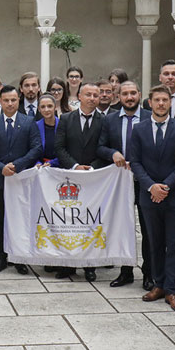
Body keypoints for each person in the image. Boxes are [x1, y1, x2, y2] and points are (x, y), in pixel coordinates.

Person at [128, 86, 175, 312]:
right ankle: (158, 284)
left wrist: (165, 186)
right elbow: (135, 162)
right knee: (153, 242)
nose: (161, 103)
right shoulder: (139, 129)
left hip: (174, 196)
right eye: (157, 100)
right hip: (149, 196)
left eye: (165, 100)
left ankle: (172, 289)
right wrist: (151, 186)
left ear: (170, 102)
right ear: (150, 102)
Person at [0, 85, 42, 274]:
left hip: (21, 180)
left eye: (13, 100)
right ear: (0, 101)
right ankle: (1, 257)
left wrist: (17, 165)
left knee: (19, 219)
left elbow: (36, 148)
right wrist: (1, 168)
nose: (10, 103)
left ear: (18, 100)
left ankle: (19, 258)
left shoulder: (28, 121)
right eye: (6, 100)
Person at [54, 82, 106, 282]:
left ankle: (89, 265)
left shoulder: (105, 121)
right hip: (71, 177)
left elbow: (105, 147)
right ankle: (68, 264)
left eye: (95, 95)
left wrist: (91, 168)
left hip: (94, 179)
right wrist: (75, 166)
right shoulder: (66, 119)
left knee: (90, 222)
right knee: (70, 222)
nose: (92, 98)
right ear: (80, 97)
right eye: (88, 94)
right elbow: (59, 147)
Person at [97, 80, 146, 288]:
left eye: (133, 93)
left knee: (148, 229)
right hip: (119, 182)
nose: (129, 97)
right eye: (125, 94)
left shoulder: (150, 117)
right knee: (122, 226)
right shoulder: (109, 120)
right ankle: (125, 271)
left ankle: (149, 273)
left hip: (145, 181)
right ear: (119, 97)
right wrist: (113, 153)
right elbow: (100, 146)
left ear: (139, 94)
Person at [34, 94, 61, 167]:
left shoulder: (63, 125)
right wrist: (37, 163)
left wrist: (52, 163)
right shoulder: (35, 126)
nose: (46, 110)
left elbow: (67, 150)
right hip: (40, 168)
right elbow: (32, 149)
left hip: (60, 166)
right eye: (43, 107)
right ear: (39, 109)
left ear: (55, 107)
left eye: (49, 106)